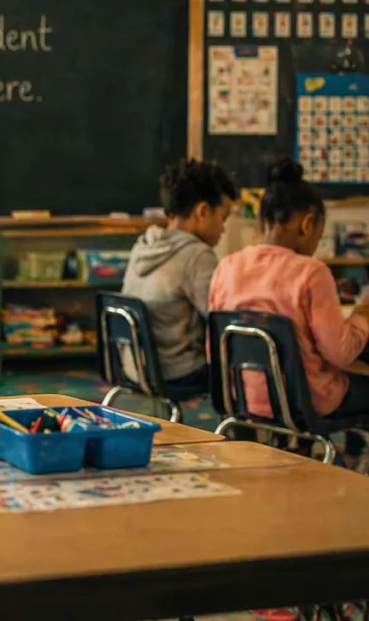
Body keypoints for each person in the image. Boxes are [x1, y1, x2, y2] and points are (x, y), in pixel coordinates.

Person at [208, 158, 369, 468]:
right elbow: (342, 353)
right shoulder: (311, 272)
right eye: (318, 236)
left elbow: (214, 349)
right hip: (304, 402)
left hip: (241, 398)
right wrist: (362, 315)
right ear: (307, 224)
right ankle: (354, 474)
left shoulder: (226, 267)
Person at [121, 158, 237, 400]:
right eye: (223, 219)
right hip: (177, 372)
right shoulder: (196, 255)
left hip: (134, 366)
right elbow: (224, 318)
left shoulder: (144, 244)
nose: (223, 230)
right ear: (202, 212)